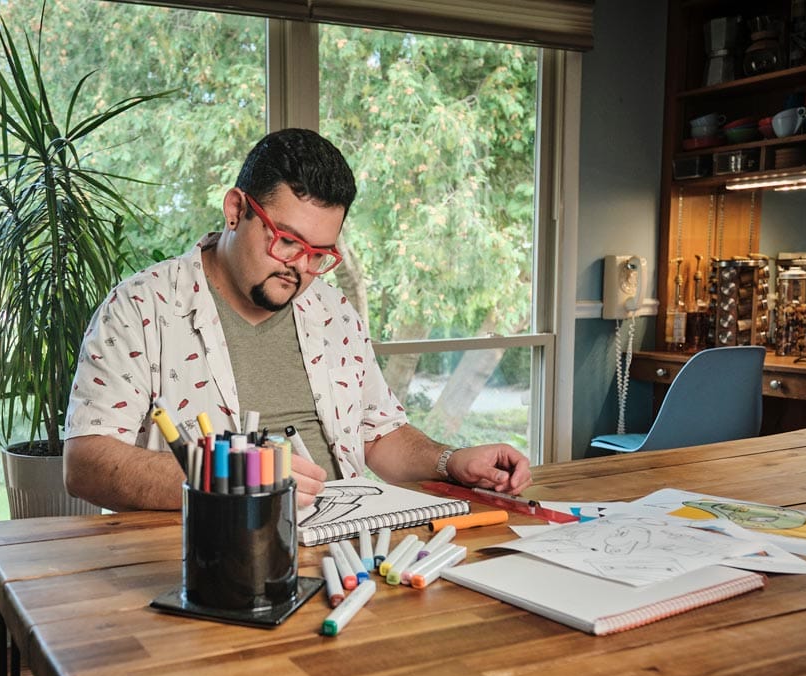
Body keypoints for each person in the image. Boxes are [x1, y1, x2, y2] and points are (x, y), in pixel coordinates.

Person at [63, 128, 531, 511]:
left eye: (319, 253)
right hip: (207, 552)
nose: (301, 268)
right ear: (236, 210)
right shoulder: (141, 308)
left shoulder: (333, 313)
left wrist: (451, 461)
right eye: (286, 241)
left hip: (344, 538)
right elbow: (85, 464)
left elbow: (380, 434)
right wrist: (242, 474)